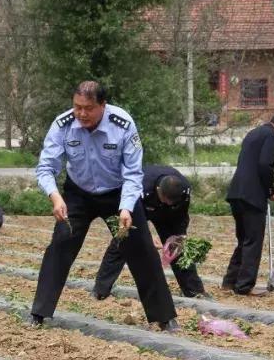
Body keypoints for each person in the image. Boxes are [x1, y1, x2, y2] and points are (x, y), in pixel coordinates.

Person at [31, 80, 177, 331]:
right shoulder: (63, 125)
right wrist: (54, 196)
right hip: (78, 193)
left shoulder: (122, 124)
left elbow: (133, 172)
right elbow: (46, 167)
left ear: (103, 106)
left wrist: (126, 207)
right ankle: (39, 313)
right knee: (60, 244)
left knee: (141, 250)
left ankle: (164, 317)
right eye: (77, 107)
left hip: (118, 194)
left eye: (88, 108)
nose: (81, 114)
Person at [92, 165, 208, 300]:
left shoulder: (183, 190)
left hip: (170, 216)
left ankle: (194, 291)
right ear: (158, 190)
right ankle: (101, 289)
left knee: (177, 247)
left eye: (172, 201)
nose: (169, 203)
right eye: (166, 200)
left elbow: (181, 217)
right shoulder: (141, 185)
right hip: (140, 207)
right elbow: (129, 211)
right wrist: (145, 234)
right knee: (122, 243)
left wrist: (179, 236)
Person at [222, 109, 274, 296]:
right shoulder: (271, 136)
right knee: (253, 241)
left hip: (237, 193)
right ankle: (244, 286)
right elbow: (265, 165)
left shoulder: (254, 133)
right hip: (252, 195)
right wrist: (270, 190)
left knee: (243, 239)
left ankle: (230, 282)